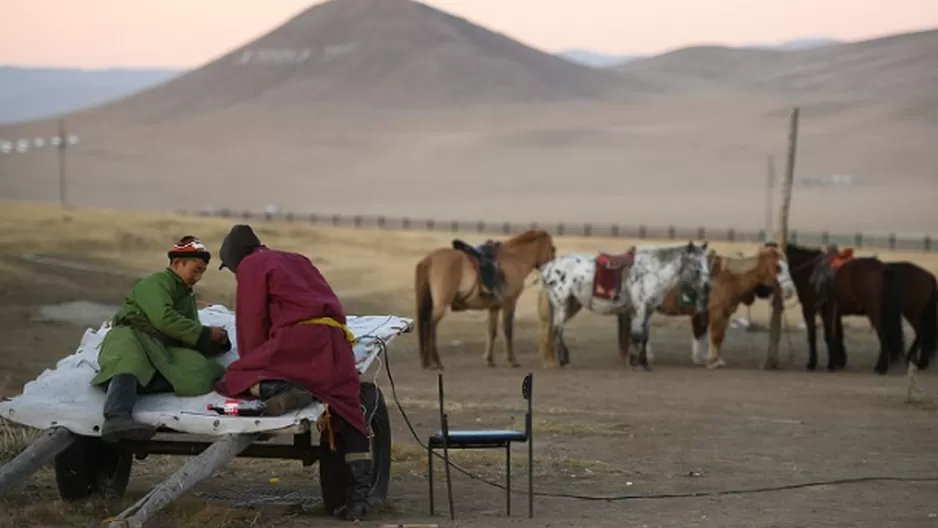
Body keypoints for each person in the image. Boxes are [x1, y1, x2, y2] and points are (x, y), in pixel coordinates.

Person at [214, 224, 372, 522]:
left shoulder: (252, 266)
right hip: (336, 343)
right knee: (348, 410)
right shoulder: (297, 259)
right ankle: (359, 500)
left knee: (234, 376)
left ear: (234, 259)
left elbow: (251, 321)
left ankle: (280, 390)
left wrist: (254, 363)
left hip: (300, 343)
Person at [90, 236, 231, 443]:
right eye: (195, 269)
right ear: (177, 264)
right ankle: (116, 418)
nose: (198, 277)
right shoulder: (156, 283)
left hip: (160, 346)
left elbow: (187, 330)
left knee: (202, 371)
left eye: (202, 271)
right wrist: (205, 334)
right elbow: (164, 319)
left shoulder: (186, 295)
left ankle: (139, 384)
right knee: (130, 362)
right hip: (132, 336)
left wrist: (214, 341)